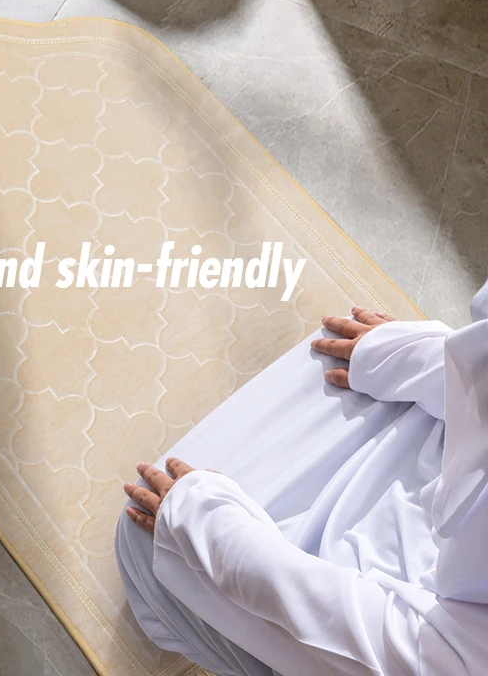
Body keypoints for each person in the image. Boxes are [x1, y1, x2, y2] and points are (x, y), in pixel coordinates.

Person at [116, 283, 488, 675]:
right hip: (459, 553)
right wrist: (444, 366)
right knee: (337, 354)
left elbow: (400, 652)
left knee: (147, 538)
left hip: (411, 639)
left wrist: (215, 534)